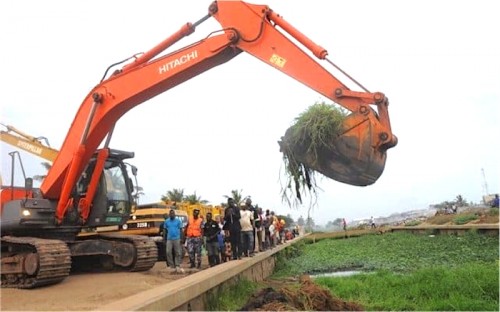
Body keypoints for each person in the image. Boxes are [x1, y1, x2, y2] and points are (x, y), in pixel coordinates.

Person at [163, 209, 185, 273]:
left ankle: (177, 264)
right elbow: (164, 230)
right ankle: (171, 265)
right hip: (169, 239)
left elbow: (181, 230)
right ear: (169, 214)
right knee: (168, 252)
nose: (172, 215)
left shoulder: (178, 221)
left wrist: (182, 238)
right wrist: (164, 238)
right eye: (171, 214)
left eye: (173, 213)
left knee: (178, 252)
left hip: (177, 238)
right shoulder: (166, 221)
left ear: (175, 214)